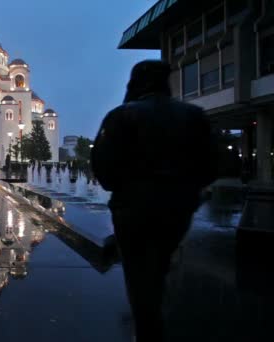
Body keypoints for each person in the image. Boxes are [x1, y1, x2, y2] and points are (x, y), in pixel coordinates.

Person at [91, 60, 218, 341]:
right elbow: (213, 163)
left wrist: (123, 187)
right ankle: (157, 313)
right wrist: (188, 190)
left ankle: (148, 325)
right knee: (161, 260)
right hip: (178, 208)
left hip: (132, 208)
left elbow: (103, 164)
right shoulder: (194, 115)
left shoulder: (122, 115)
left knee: (138, 269)